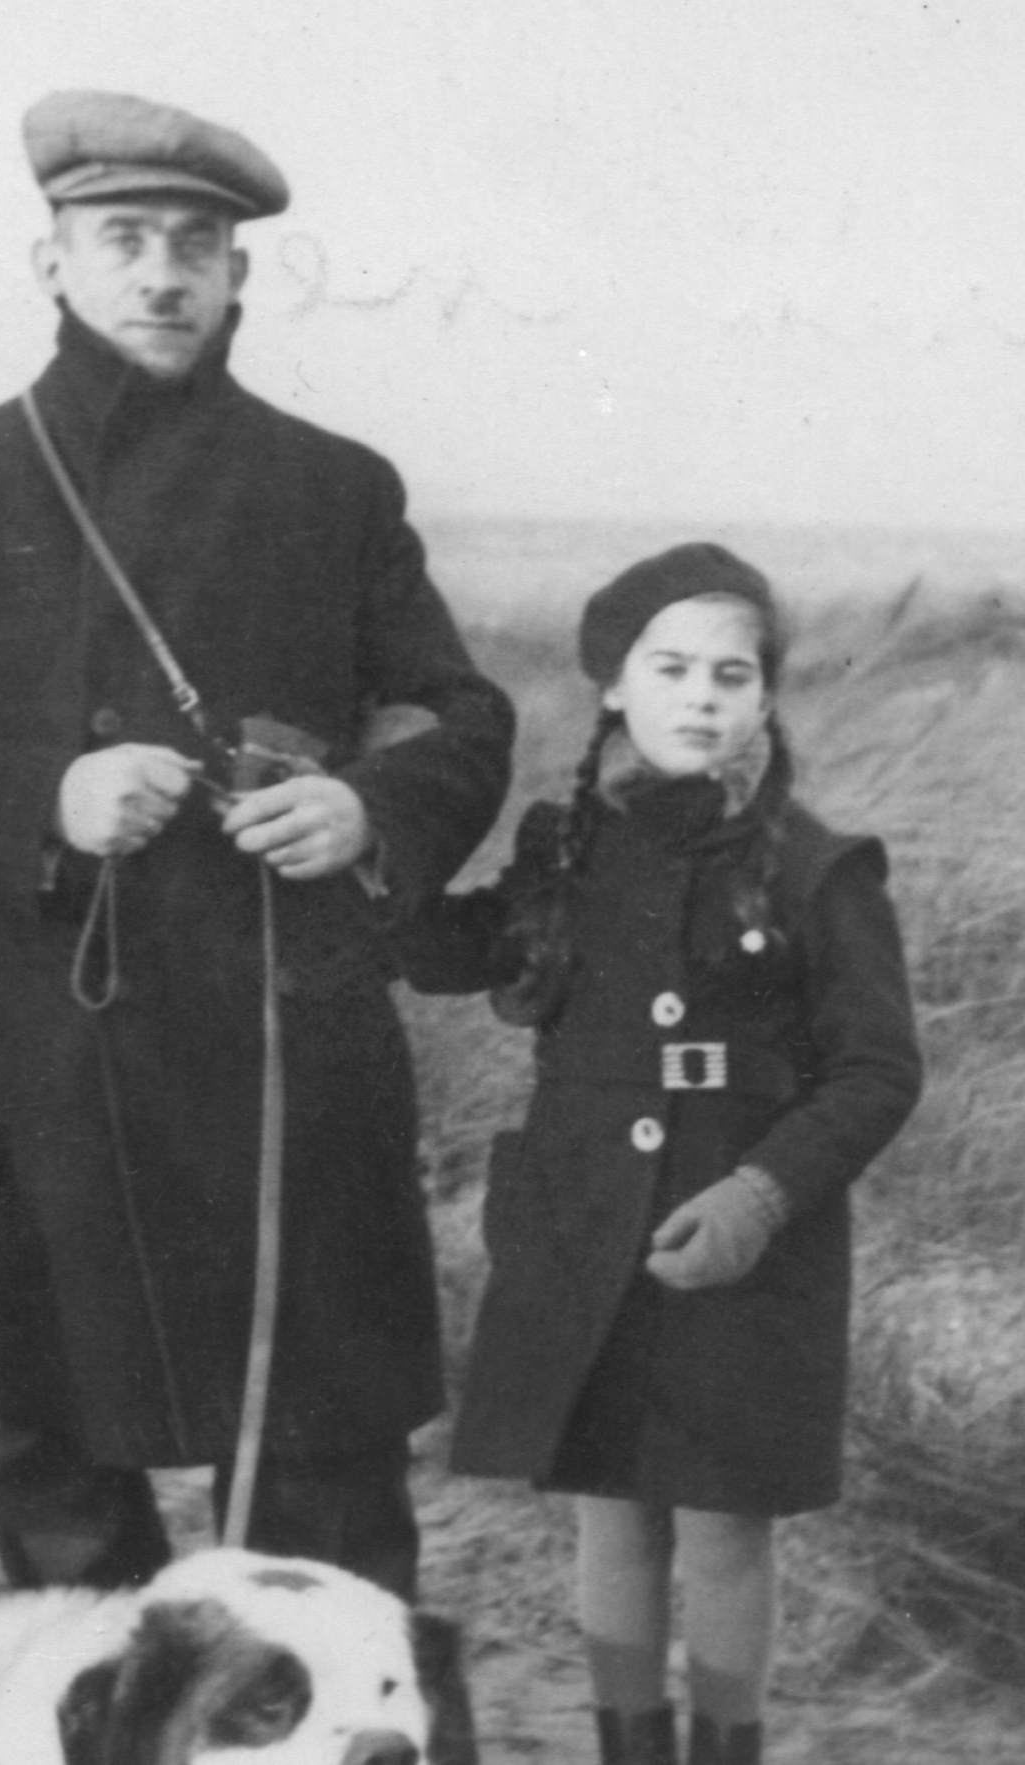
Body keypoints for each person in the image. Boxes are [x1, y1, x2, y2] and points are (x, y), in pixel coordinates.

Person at [0, 90, 514, 1601]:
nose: (162, 274)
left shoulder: (337, 487)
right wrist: (42, 803)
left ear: (242, 276)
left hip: (290, 1033)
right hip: (53, 1038)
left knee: (323, 1446)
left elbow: (461, 713)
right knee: (70, 1445)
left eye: (197, 244)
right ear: (51, 259)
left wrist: (370, 813)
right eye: (122, 238)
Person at [396, 544, 923, 1765]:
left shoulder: (817, 868)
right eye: (671, 668)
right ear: (614, 688)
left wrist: (759, 1194)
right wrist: (382, 824)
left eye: (731, 675)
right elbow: (439, 951)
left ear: (764, 697)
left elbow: (879, 1071)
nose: (702, 697)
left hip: (746, 1244)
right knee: (611, 1512)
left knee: (726, 1525)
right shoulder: (568, 847)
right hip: (583, 1225)